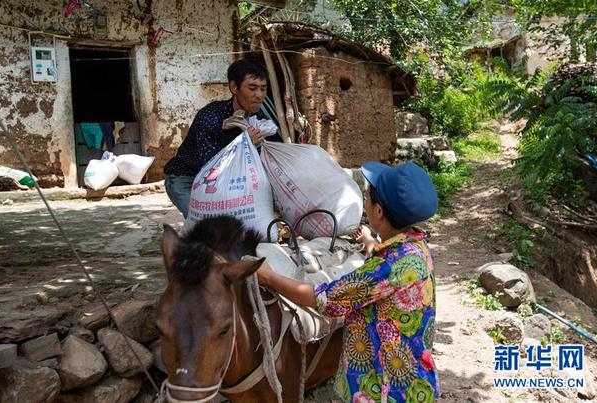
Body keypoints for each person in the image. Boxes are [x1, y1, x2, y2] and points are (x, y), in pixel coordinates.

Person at [256, 161, 440, 403]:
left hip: (386, 389)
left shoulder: (384, 269)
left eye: (367, 198)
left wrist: (269, 276)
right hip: (414, 378)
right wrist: (370, 243)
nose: (365, 203)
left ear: (379, 211)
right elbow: (388, 277)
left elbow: (324, 299)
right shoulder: (416, 248)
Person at [164, 58, 272, 217]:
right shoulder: (211, 116)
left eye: (263, 89)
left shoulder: (258, 117)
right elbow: (211, 164)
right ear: (234, 87)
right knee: (204, 226)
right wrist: (244, 143)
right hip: (186, 179)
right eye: (252, 88)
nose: (259, 95)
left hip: (226, 181)